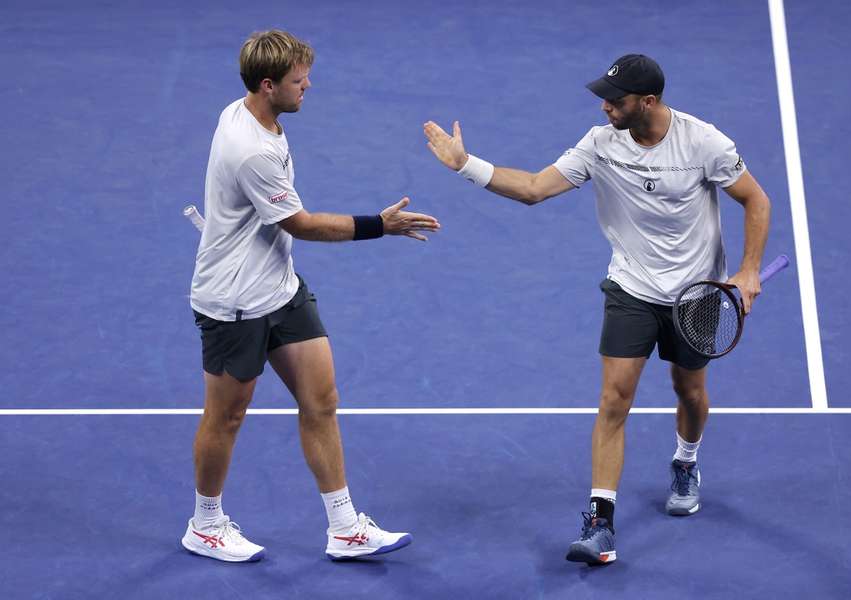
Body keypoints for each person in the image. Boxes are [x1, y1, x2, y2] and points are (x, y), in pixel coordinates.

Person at [423, 54, 770, 565]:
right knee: (614, 399)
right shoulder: (599, 143)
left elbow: (755, 200)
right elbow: (536, 188)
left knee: (689, 391)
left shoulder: (704, 143)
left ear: (648, 102)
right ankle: (601, 523)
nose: (606, 107)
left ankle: (686, 460)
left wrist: (748, 270)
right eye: (604, 98)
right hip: (630, 288)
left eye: (618, 100)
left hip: (696, 294)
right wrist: (465, 165)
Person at [183, 30, 440, 563]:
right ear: (268, 84)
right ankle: (204, 524)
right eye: (299, 81)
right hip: (234, 304)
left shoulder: (253, 113)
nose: (309, 87)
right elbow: (300, 225)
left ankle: (344, 526)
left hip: (280, 288)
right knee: (226, 416)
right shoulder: (251, 149)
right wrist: (379, 225)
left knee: (321, 402)